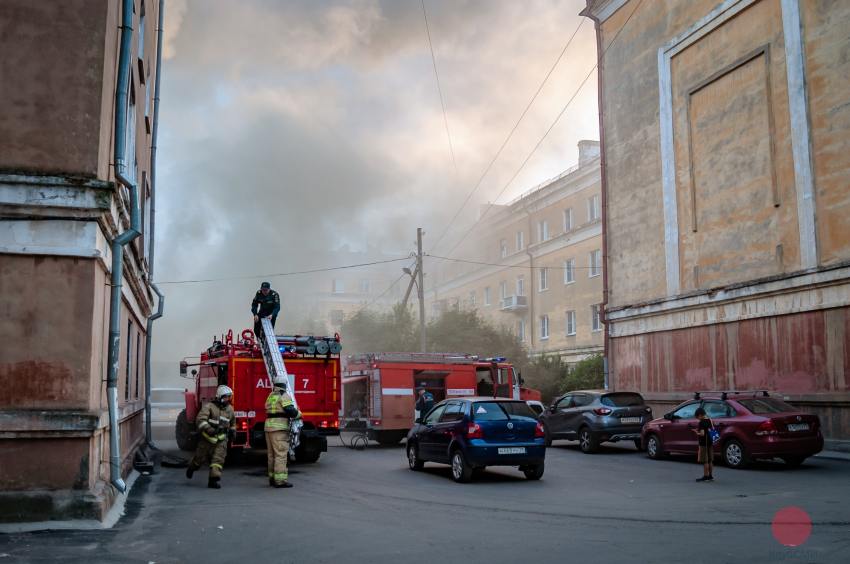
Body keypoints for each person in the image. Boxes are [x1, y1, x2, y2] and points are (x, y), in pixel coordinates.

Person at [186, 385, 235, 489]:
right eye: (226, 397)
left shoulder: (230, 409)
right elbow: (200, 420)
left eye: (229, 397)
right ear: (219, 397)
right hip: (207, 439)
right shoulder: (209, 407)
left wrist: (233, 431)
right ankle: (192, 467)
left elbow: (232, 422)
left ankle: (213, 480)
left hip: (221, 439)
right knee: (199, 459)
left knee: (218, 460)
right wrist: (210, 430)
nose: (227, 399)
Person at [265, 374, 301, 488]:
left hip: (268, 428)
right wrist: (299, 414)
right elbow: (291, 411)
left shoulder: (271, 395)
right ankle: (280, 481)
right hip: (279, 429)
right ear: (284, 385)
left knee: (271, 455)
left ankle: (272, 478)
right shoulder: (284, 395)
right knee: (280, 455)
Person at [693, 407, 715, 482]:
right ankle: (711, 476)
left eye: (697, 417)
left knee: (705, 461)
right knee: (710, 460)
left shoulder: (701, 422)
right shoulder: (710, 420)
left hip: (704, 443)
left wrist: (697, 432)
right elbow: (711, 430)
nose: (698, 419)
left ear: (700, 415)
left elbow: (702, 434)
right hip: (710, 441)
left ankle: (705, 476)